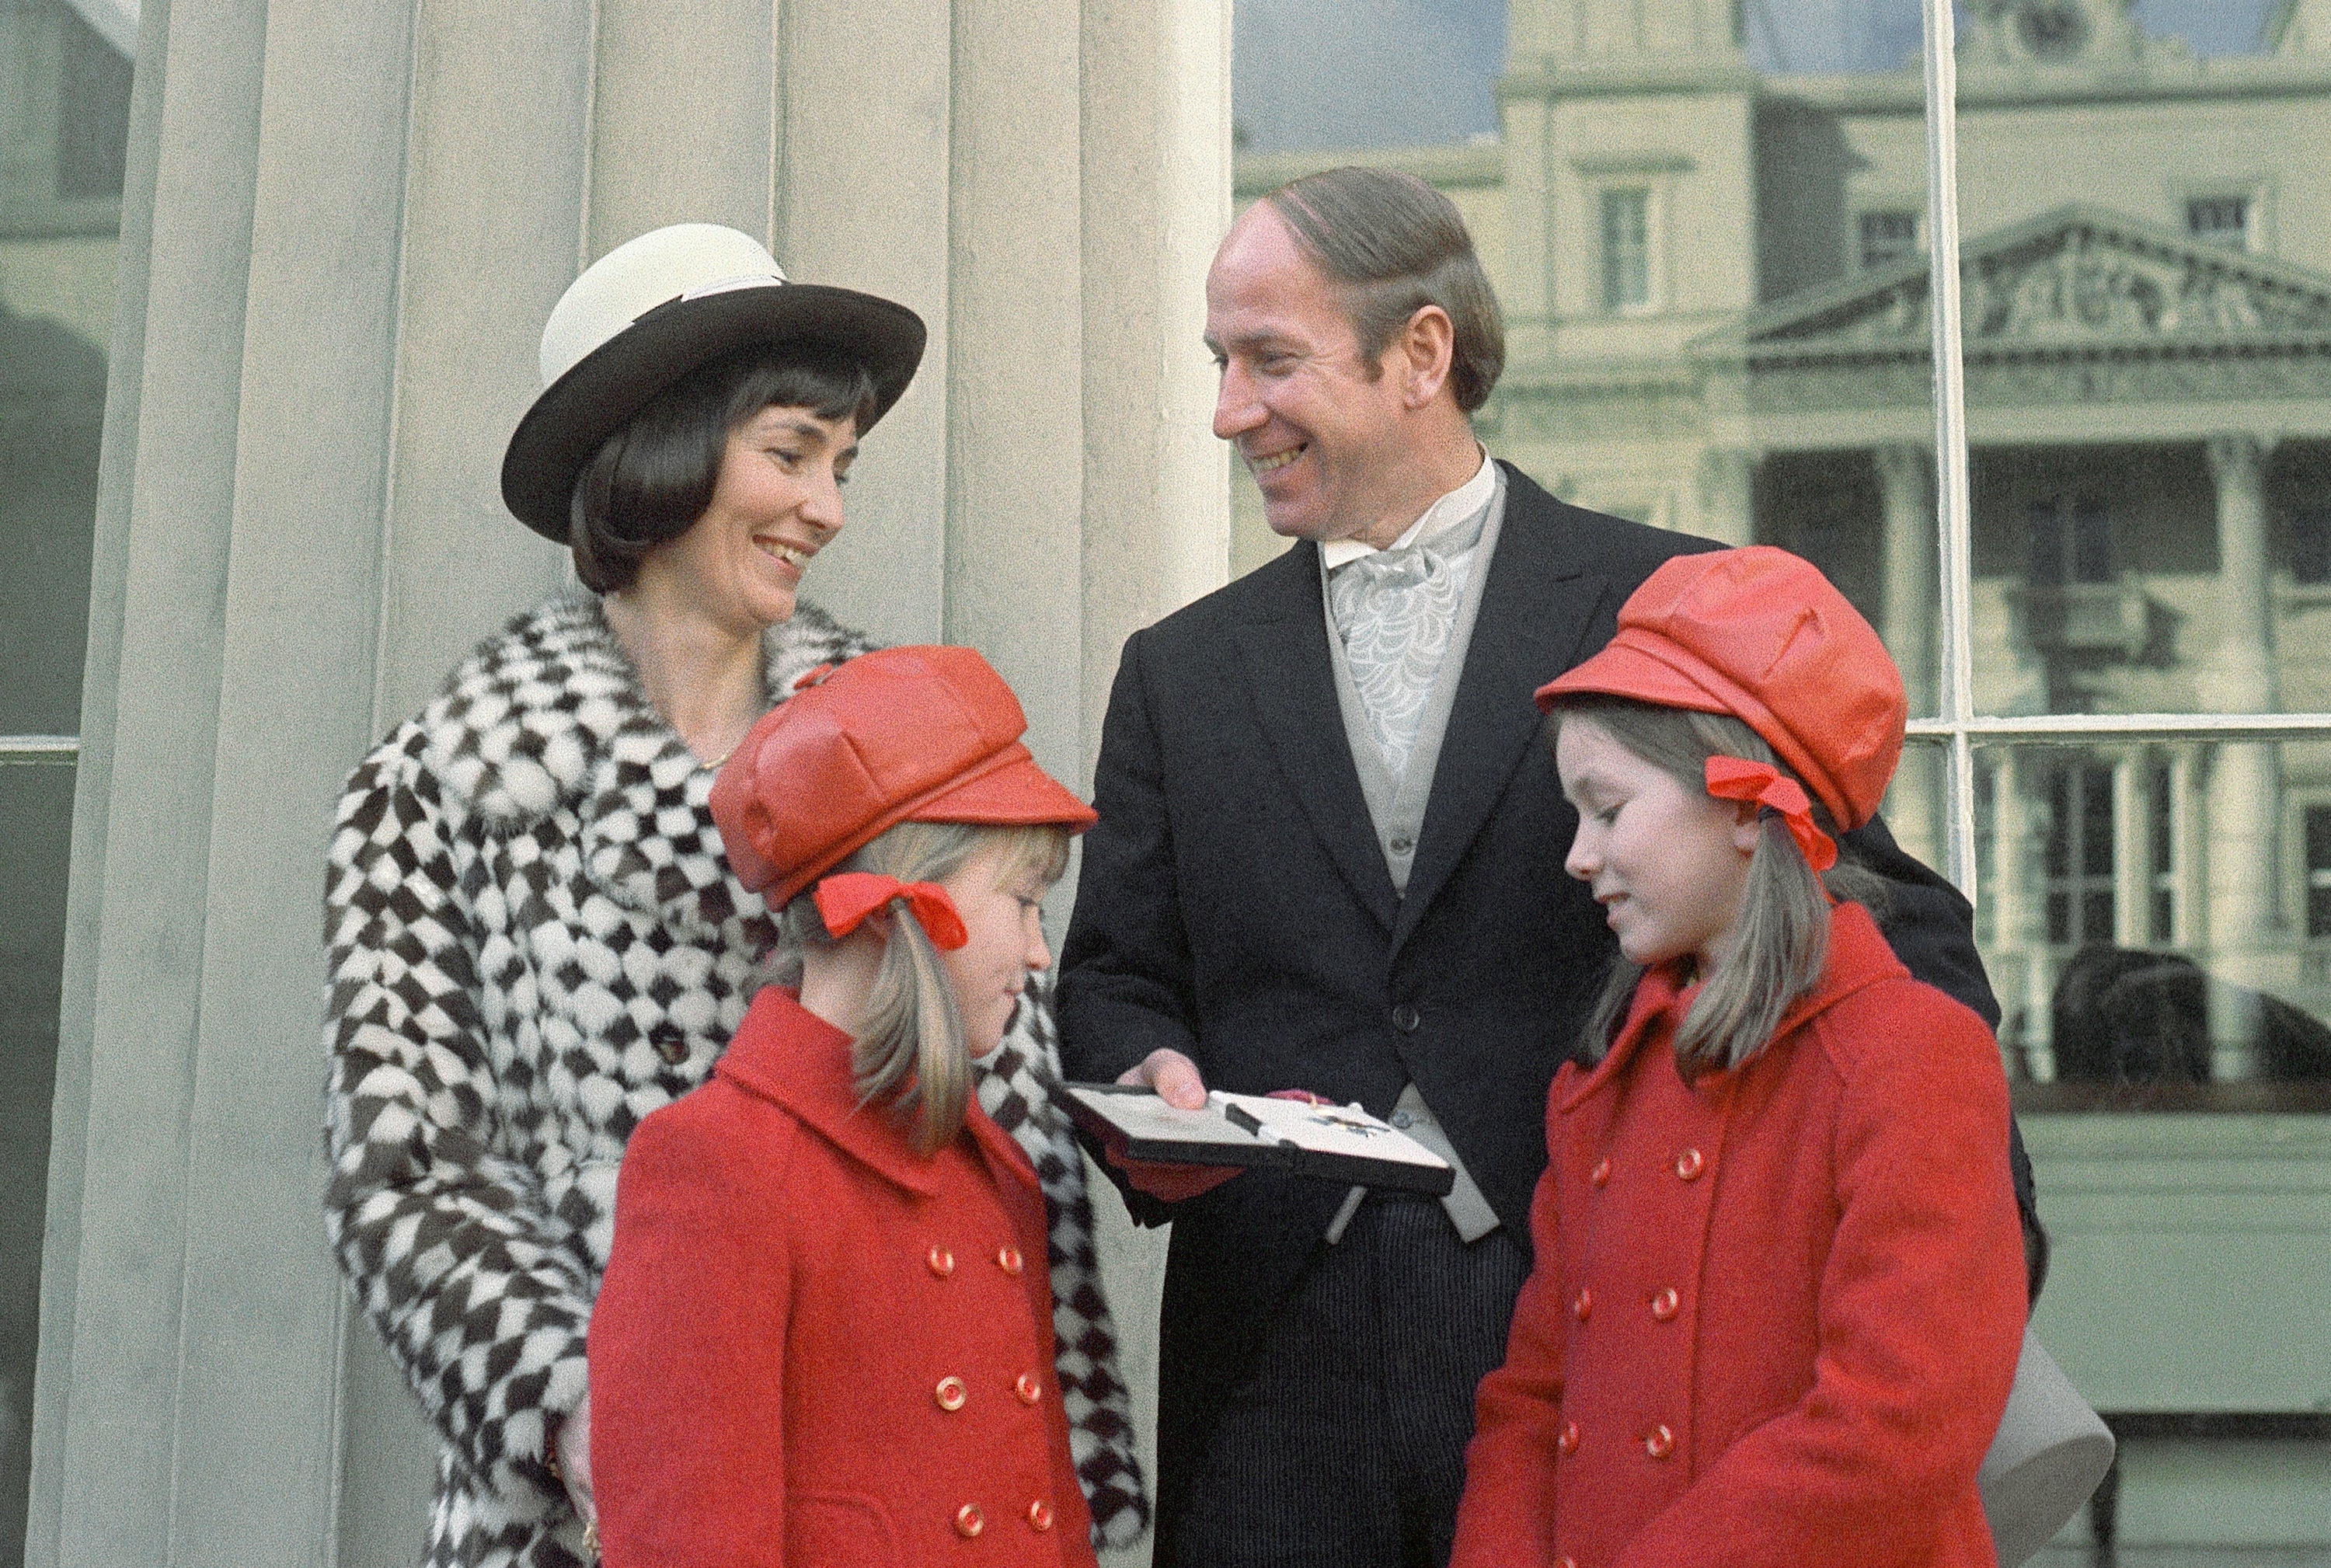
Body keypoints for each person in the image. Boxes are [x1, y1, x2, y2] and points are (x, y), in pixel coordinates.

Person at [1054, 165, 2037, 1567]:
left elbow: (1893, 927)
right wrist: (1149, 1078)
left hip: (1579, 1341)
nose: (1229, 410)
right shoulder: (1179, 673)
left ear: (1422, 355)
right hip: (1270, 1356)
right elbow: (1114, 974)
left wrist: (1962, 1241)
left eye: (1272, 359)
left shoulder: (1675, 604)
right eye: (1221, 363)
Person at [323, 224, 1145, 1568]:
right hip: (581, 1493)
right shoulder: (436, 790)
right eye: (790, 453)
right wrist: (586, 1410)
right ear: (662, 454)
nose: (827, 507)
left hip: (902, 1482)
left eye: (842, 465)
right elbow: (404, 1166)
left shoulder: (910, 748)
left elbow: (1005, 1116)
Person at [1448, 545, 2026, 1568]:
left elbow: (1896, 1426)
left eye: (1610, 808)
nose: (1577, 854)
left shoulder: (1913, 1058)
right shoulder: (1599, 1089)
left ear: (1753, 807)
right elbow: (1531, 1402)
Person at [589, 645, 1106, 1566]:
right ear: (903, 904)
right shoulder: (716, 1165)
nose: (1038, 952)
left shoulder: (988, 1169)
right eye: (1024, 902)